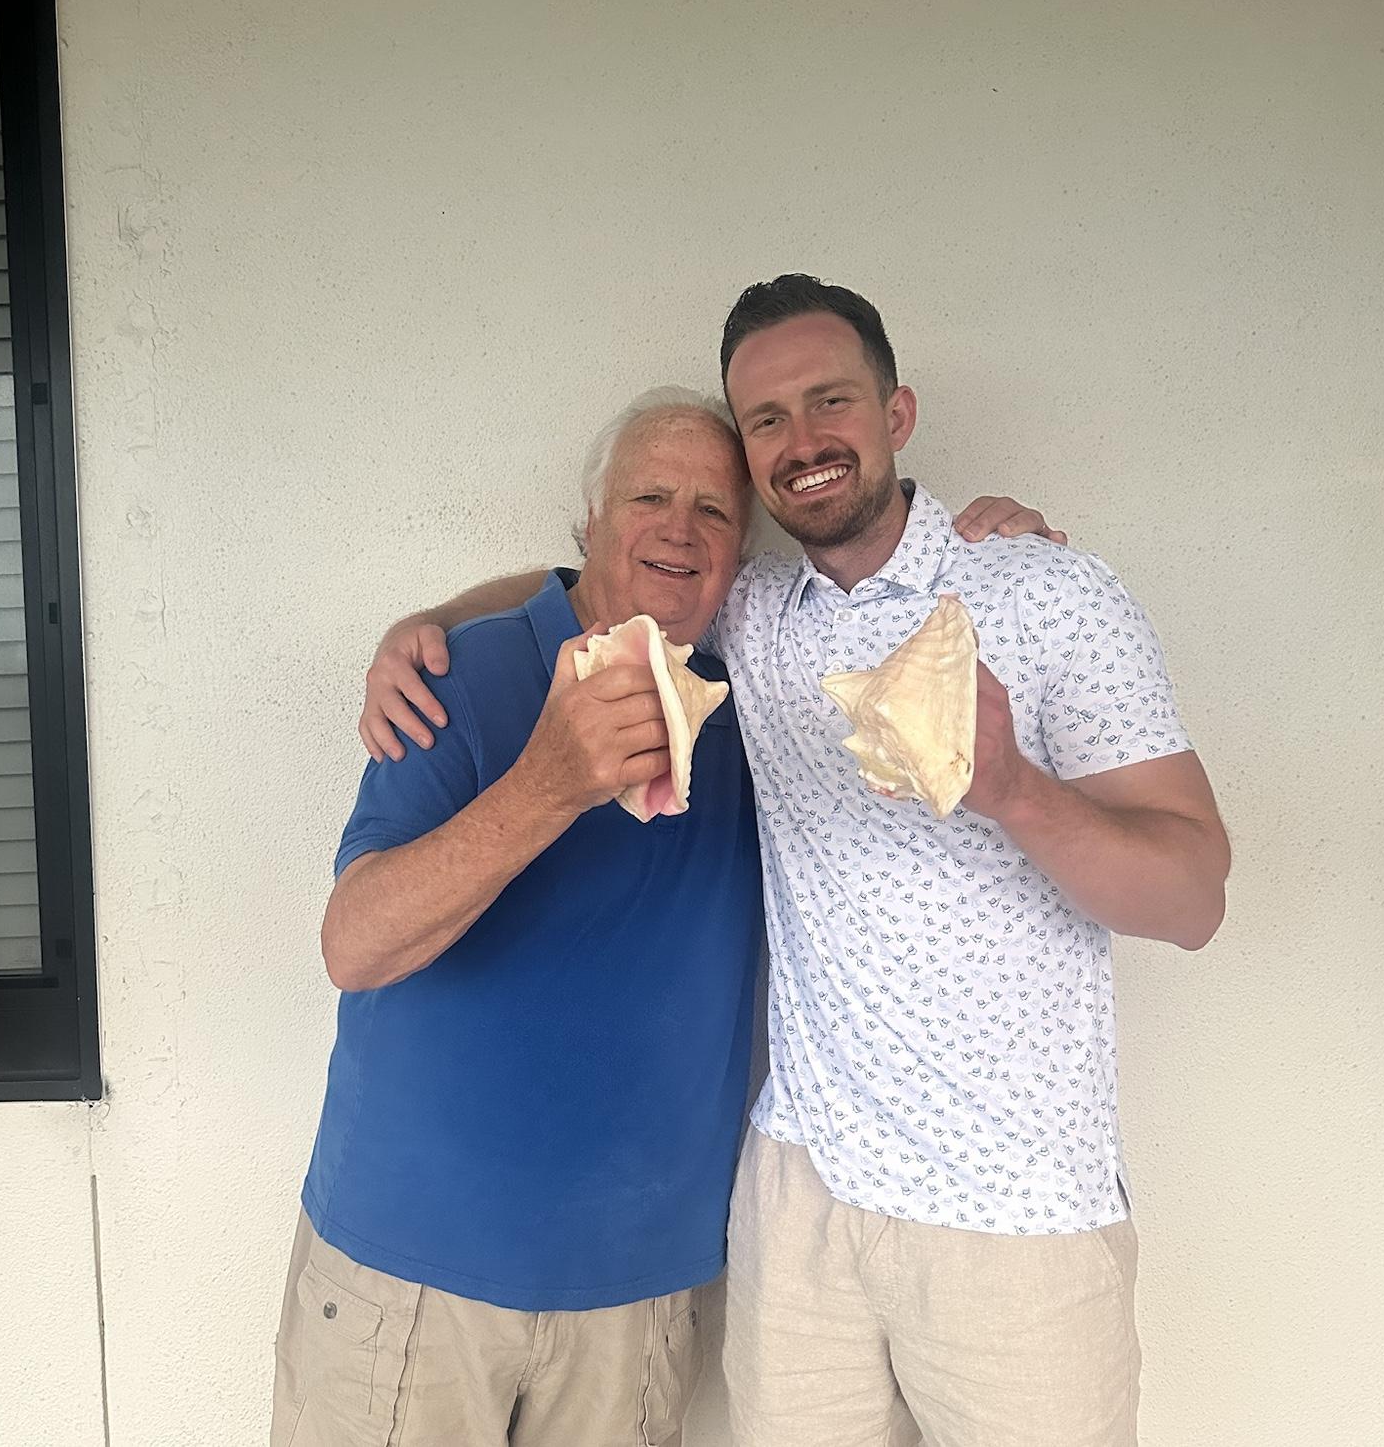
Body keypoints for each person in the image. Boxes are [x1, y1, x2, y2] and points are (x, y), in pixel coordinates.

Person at [363, 277, 1228, 1447]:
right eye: (767, 419)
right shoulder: (750, 608)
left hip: (1016, 1217)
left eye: (831, 403)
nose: (803, 441)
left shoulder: (1049, 596)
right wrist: (422, 624)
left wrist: (1016, 790)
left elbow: (1192, 898)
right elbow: (607, 574)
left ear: (898, 412)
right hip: (800, 1205)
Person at [279, 382, 1053, 1447]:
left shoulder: (767, 698)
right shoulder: (462, 677)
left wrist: (1001, 559)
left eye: (715, 511)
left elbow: (918, 640)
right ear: (590, 522)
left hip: (642, 1298)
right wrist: (548, 780)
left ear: (743, 559)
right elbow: (353, 945)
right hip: (410, 1274)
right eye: (650, 496)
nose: (680, 531)